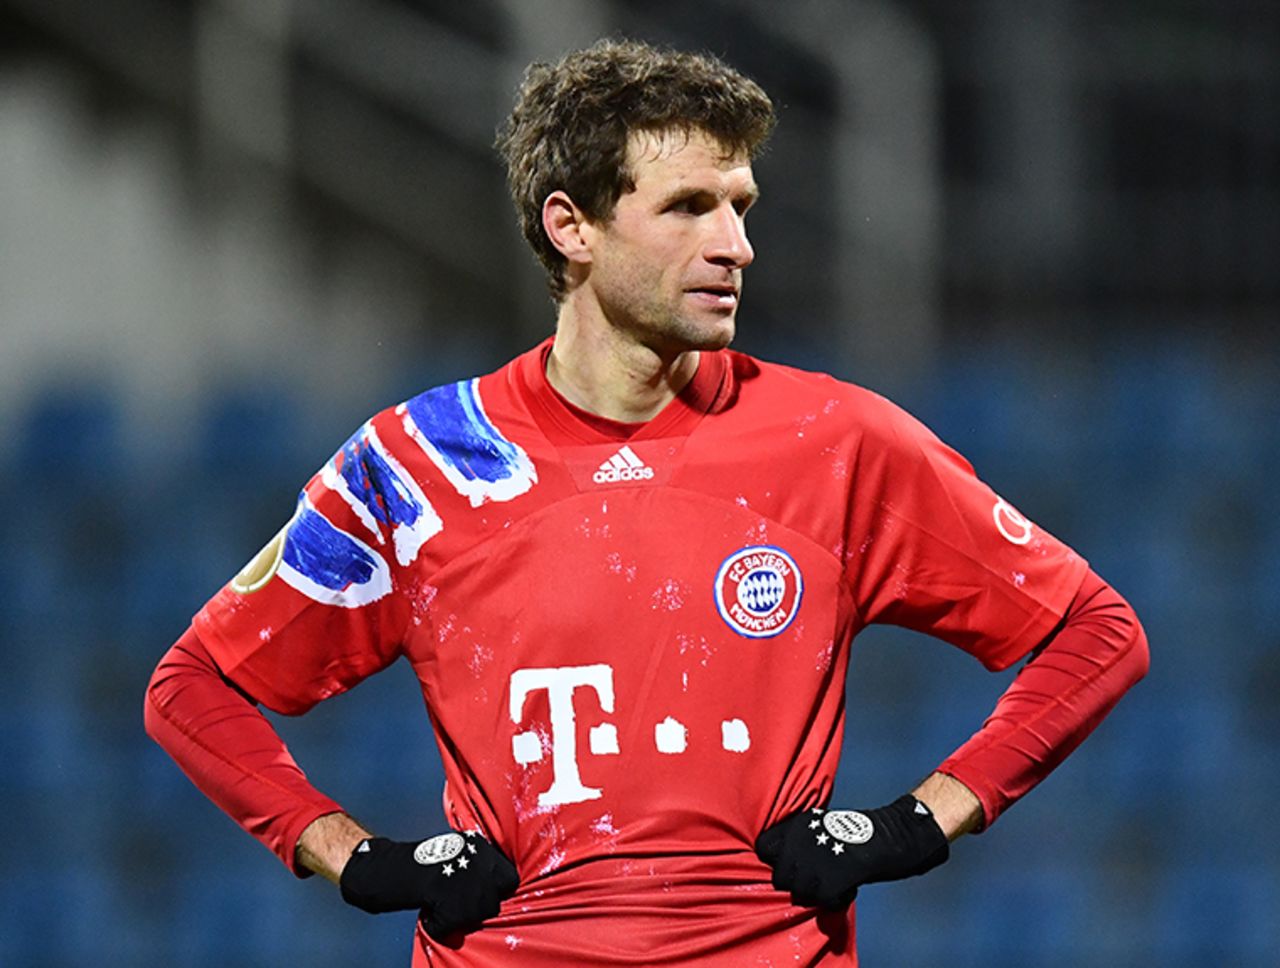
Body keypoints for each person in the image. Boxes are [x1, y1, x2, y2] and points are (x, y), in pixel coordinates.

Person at [145, 39, 1149, 966]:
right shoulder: (422, 464)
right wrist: (357, 857)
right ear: (569, 226)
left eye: (740, 205)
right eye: (687, 207)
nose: (735, 245)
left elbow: (1093, 632)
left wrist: (912, 823)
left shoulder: (837, 442)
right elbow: (193, 689)